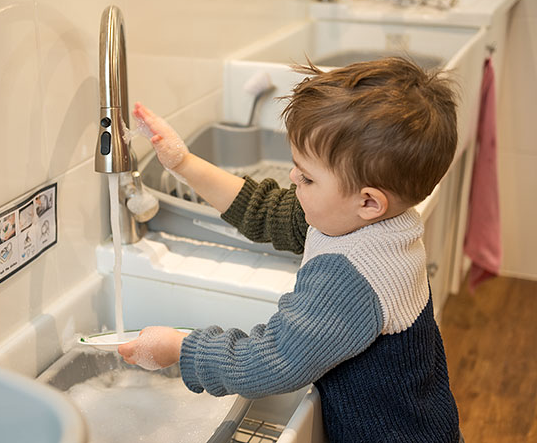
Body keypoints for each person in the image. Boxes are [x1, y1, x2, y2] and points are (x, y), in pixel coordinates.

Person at [119, 57, 462, 442]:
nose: (294, 177)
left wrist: (181, 349)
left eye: (309, 177)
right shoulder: (369, 223)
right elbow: (264, 210)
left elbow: (273, 361)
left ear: (369, 202)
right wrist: (183, 162)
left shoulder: (350, 280)